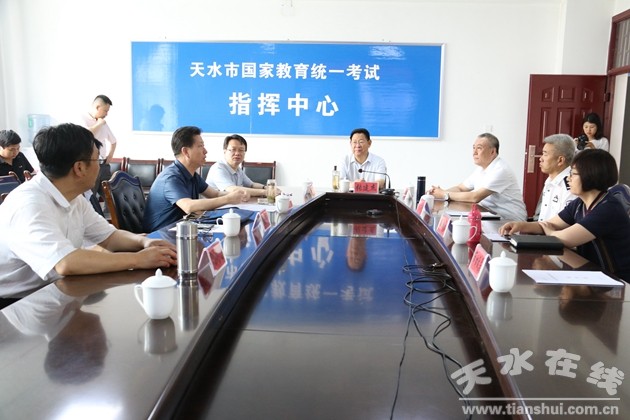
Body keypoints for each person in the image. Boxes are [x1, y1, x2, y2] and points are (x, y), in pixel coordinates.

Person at [0, 123, 177, 300]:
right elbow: (65, 263)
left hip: (57, 289)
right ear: (79, 168)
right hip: (17, 304)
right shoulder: (29, 204)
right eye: (97, 160)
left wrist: (145, 242)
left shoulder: (74, 197)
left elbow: (109, 237)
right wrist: (138, 260)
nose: (100, 167)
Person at [500, 149, 630, 281]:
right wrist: (520, 225)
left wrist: (550, 232)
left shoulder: (608, 209)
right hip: (592, 274)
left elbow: (565, 239)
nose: (568, 178)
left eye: (573, 174)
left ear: (590, 175)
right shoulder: (579, 203)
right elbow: (550, 224)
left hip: (616, 281)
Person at [143, 126, 250, 232]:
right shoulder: (171, 177)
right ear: (186, 152)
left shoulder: (192, 174)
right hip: (160, 235)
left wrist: (238, 194)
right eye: (200, 146)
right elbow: (188, 206)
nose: (205, 151)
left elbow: (215, 194)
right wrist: (228, 199)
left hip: (183, 229)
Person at [428, 133, 527, 221]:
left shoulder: (501, 170)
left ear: (492, 152)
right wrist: (438, 194)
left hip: (509, 221)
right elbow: (461, 188)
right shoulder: (481, 168)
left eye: (479, 148)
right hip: (489, 215)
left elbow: (475, 197)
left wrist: (444, 194)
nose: (474, 152)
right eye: (473, 148)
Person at [206, 134, 272, 197]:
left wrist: (266, 187)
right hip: (215, 204)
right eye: (233, 149)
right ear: (225, 152)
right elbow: (232, 189)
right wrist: (265, 192)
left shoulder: (237, 169)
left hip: (232, 203)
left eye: (241, 150)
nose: (237, 153)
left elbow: (251, 185)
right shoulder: (218, 168)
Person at [78, 95, 117, 195]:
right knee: (91, 196)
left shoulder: (103, 123)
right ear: (97, 107)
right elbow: (86, 135)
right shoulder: (82, 119)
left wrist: (110, 156)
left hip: (103, 165)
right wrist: (99, 124)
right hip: (90, 164)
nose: (106, 114)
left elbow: (113, 141)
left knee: (110, 196)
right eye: (105, 111)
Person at [535, 133, 576, 221]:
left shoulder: (571, 185)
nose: (540, 159)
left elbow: (566, 222)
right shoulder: (550, 180)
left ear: (560, 160)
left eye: (545, 154)